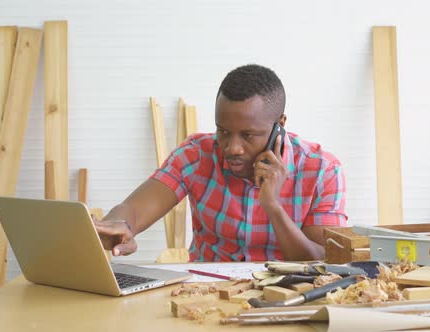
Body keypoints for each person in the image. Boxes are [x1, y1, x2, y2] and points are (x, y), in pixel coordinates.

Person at [95, 64, 347, 261]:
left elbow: (320, 261)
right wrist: (121, 226)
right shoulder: (196, 156)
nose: (232, 148)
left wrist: (273, 206)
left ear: (279, 125)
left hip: (287, 296)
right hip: (208, 292)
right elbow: (133, 209)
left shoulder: (323, 171)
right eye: (223, 131)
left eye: (248, 135)